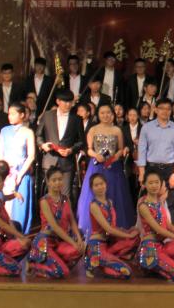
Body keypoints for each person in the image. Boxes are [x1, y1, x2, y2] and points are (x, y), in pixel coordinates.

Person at [78, 104, 133, 235]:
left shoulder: (117, 130)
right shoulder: (93, 129)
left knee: (114, 193)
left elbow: (120, 149)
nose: (105, 115)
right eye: (102, 113)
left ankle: (116, 226)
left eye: (108, 112)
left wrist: (116, 156)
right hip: (96, 166)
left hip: (113, 167)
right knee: (94, 193)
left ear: (112, 114)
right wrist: (96, 155)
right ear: (98, 115)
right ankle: (93, 228)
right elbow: (88, 149)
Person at [28, 168, 85, 279]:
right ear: (48, 182)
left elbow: (72, 220)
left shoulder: (66, 199)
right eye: (54, 180)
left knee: (79, 249)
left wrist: (78, 239)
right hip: (46, 242)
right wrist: (73, 242)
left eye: (60, 179)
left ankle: (56, 262)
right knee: (62, 272)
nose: (57, 183)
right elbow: (55, 226)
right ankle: (35, 266)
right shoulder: (44, 201)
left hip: (60, 241)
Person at [138, 170, 174, 281]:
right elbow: (158, 229)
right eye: (150, 183)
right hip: (150, 248)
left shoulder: (159, 202)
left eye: (156, 182)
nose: (154, 185)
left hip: (161, 246)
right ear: (144, 184)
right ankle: (151, 265)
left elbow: (168, 225)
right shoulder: (143, 205)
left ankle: (158, 268)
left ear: (160, 184)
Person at [86, 174, 139, 279]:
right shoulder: (94, 205)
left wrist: (128, 231)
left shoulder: (109, 202)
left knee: (135, 236)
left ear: (106, 184)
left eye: (101, 184)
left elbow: (113, 226)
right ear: (92, 188)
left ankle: (103, 262)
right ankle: (94, 261)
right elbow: (108, 229)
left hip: (109, 242)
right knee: (126, 272)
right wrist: (128, 235)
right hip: (97, 245)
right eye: (96, 185)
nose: (100, 187)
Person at [37, 89, 85, 200]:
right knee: (50, 194)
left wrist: (71, 150)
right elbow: (38, 135)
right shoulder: (47, 115)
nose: (68, 105)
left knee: (66, 195)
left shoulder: (76, 119)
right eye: (65, 102)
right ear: (58, 101)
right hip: (50, 159)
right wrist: (43, 145)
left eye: (70, 102)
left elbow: (81, 141)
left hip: (67, 162)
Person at [136, 99, 174, 196]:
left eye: (168, 109)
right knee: (151, 201)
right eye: (162, 108)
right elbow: (141, 151)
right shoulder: (146, 128)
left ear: (171, 111)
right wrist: (142, 173)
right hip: (151, 169)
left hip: (170, 170)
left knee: (169, 202)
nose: (165, 111)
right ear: (155, 110)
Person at [0, 104, 36, 234]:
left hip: (22, 171)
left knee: (20, 204)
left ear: (22, 115)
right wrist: (3, 171)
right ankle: (6, 233)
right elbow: (0, 152)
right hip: (6, 171)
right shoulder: (4, 130)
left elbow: (31, 155)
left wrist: (19, 175)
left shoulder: (28, 132)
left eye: (13, 114)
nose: (10, 116)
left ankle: (20, 234)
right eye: (9, 113)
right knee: (5, 203)